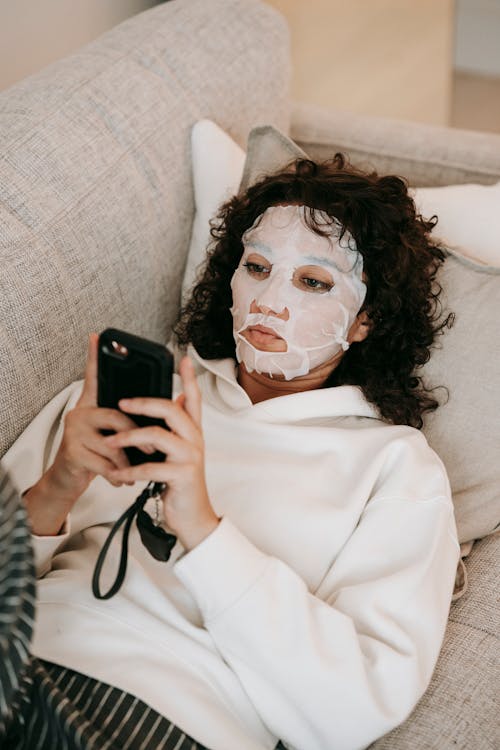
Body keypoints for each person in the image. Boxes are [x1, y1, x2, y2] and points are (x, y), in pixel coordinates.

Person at [1, 156, 460, 750]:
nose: (269, 299)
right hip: (22, 659)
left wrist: (202, 528)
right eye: (258, 266)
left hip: (160, 719)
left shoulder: (396, 466)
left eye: (314, 281)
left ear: (365, 320)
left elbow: (356, 705)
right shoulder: (141, 392)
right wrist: (58, 485)